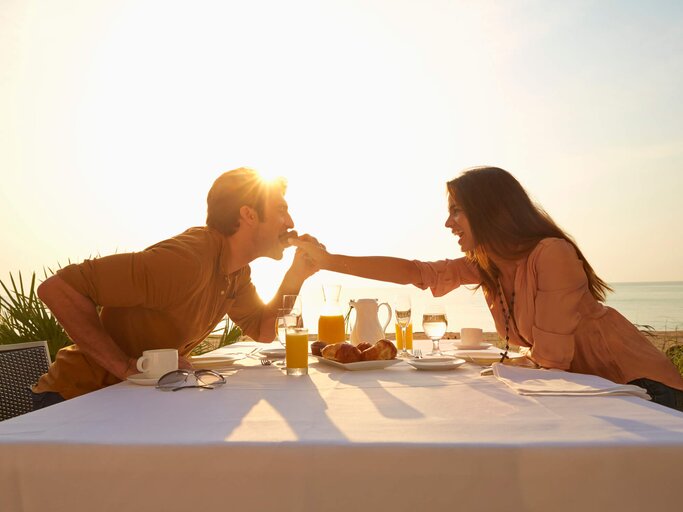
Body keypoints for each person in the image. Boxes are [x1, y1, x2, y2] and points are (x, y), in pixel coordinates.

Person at [292, 166, 683, 411]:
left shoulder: (551, 254)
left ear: (491, 211)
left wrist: (502, 367)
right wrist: (328, 260)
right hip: (592, 392)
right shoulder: (489, 264)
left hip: (644, 392)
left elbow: (550, 361)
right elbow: (418, 272)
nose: (449, 223)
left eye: (457, 211)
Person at [33, 167, 319, 408]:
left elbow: (264, 330)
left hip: (132, 400)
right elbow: (58, 289)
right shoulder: (186, 261)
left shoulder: (236, 272)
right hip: (75, 399)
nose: (291, 222)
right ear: (249, 214)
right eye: (282, 210)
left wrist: (297, 275)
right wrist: (125, 367)